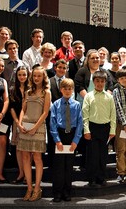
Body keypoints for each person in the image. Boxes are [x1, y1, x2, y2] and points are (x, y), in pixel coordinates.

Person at [17, 66, 51, 201]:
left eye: (39, 76)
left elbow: (45, 112)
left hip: (38, 128)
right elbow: (22, 109)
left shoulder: (46, 92)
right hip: (25, 127)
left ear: (43, 78)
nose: (36, 78)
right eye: (34, 76)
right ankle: (29, 188)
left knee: (37, 158)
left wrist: (35, 128)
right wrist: (19, 124)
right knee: (25, 157)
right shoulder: (28, 91)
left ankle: (37, 188)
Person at [50, 78, 83, 202]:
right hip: (60, 135)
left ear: (73, 90)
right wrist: (57, 140)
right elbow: (52, 123)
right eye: (65, 89)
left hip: (71, 136)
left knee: (69, 166)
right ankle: (57, 192)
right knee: (59, 166)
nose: (68, 91)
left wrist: (76, 140)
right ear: (61, 90)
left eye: (70, 89)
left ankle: (67, 192)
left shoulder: (77, 105)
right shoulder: (56, 104)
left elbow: (80, 123)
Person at [82, 71, 116, 187]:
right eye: (97, 81)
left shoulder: (109, 97)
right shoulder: (88, 96)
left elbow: (113, 115)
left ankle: (101, 177)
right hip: (92, 127)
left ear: (105, 82)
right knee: (92, 155)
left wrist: (112, 131)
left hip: (105, 128)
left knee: (103, 155)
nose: (100, 84)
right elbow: (85, 115)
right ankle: (91, 178)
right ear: (93, 82)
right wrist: (86, 130)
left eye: (102, 81)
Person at [9, 65, 30, 184]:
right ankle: (21, 173)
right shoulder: (12, 89)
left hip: (29, 120)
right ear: (16, 76)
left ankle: (28, 174)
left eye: (24, 74)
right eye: (20, 75)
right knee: (18, 148)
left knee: (28, 148)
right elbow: (11, 108)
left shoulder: (31, 88)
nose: (22, 77)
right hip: (16, 120)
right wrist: (17, 122)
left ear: (27, 75)